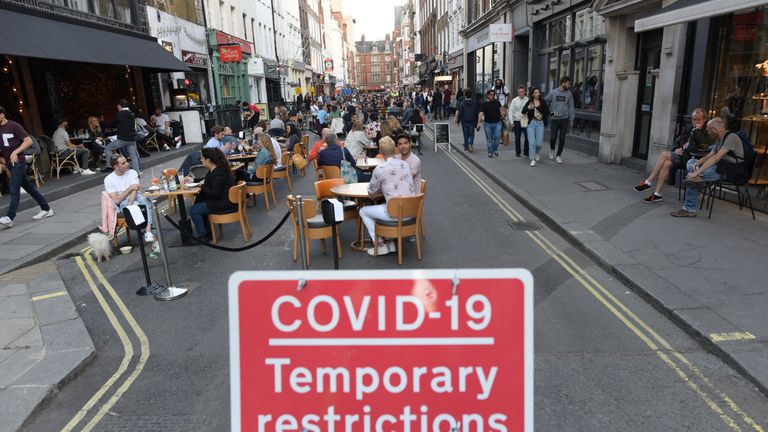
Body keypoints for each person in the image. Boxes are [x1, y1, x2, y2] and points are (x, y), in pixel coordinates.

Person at [634, 108, 713, 203]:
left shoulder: (707, 131)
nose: (695, 122)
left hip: (693, 160)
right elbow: (677, 140)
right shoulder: (689, 129)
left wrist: (697, 131)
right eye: (694, 119)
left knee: (664, 154)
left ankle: (649, 181)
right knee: (666, 163)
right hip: (682, 156)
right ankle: (657, 194)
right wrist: (676, 149)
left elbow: (704, 145)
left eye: (698, 120)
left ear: (704, 120)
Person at [671, 117, 744, 217]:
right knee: (691, 161)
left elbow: (716, 158)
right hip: (719, 168)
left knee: (693, 178)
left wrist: (696, 172)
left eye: (709, 130)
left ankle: (689, 209)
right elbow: (709, 156)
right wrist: (696, 164)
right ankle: (696, 178)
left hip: (729, 172)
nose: (708, 132)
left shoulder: (731, 137)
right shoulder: (720, 139)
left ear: (715, 129)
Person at [359, 137, 416, 256]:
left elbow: (371, 192)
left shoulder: (380, 169)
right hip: (410, 212)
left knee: (363, 211)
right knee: (385, 205)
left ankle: (380, 245)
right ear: (395, 149)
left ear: (380, 151)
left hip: (395, 213)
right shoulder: (405, 164)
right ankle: (390, 243)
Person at [0, 106, 54, 228]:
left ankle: (10, 217)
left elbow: (28, 141)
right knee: (29, 188)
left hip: (18, 162)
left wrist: (15, 152)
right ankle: (46, 208)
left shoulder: (14, 126)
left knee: (14, 189)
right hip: (9, 162)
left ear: (2, 115)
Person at [187, 148, 236, 241]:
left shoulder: (217, 174)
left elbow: (215, 194)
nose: (200, 160)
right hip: (225, 200)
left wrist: (202, 187)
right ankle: (208, 233)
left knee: (194, 210)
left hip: (222, 203)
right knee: (200, 202)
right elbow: (207, 180)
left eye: (202, 158)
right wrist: (193, 180)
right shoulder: (217, 169)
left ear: (208, 160)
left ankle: (202, 236)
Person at [104, 154, 154, 242]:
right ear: (116, 166)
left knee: (144, 200)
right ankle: (149, 233)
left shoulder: (133, 172)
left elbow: (135, 191)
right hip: (123, 202)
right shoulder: (109, 179)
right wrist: (130, 187)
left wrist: (130, 203)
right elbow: (117, 200)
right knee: (137, 205)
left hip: (135, 197)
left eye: (126, 161)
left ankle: (148, 231)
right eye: (123, 163)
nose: (127, 164)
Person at [102, 99, 141, 173]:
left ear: (120, 106)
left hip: (123, 139)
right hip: (132, 138)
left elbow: (112, 125)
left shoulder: (120, 114)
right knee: (133, 156)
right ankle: (137, 172)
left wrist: (103, 123)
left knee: (107, 148)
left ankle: (110, 166)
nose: (117, 108)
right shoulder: (131, 113)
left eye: (117, 106)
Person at [545, 76, 575, 164]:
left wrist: (572, 119)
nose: (569, 85)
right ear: (563, 82)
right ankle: (552, 150)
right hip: (554, 119)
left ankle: (558, 155)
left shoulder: (569, 94)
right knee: (553, 138)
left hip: (564, 119)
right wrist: (550, 112)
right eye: (568, 83)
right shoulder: (553, 92)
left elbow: (571, 107)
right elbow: (545, 101)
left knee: (562, 138)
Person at [522, 87, 550, 167]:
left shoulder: (543, 101)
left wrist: (553, 114)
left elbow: (547, 112)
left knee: (539, 143)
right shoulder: (530, 102)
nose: (538, 94)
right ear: (533, 94)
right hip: (531, 124)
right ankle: (533, 159)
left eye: (538, 92)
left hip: (540, 124)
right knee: (532, 143)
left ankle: (537, 153)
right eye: (536, 92)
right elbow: (523, 111)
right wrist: (528, 108)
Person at [477, 88, 503, 158]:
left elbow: (501, 110)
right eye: (491, 95)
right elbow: (481, 114)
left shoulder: (497, 102)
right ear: (487, 95)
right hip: (487, 124)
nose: (492, 96)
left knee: (497, 137)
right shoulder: (484, 104)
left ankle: (495, 149)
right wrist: (478, 123)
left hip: (497, 123)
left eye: (493, 95)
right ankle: (490, 152)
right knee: (489, 139)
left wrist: (503, 115)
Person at [508, 85, 529, 158]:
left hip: (525, 121)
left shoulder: (528, 100)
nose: (520, 93)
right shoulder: (514, 100)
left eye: (522, 92)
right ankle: (518, 152)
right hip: (516, 121)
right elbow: (510, 111)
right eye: (519, 92)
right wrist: (511, 122)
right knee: (517, 137)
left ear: (525, 92)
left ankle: (526, 152)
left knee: (527, 136)